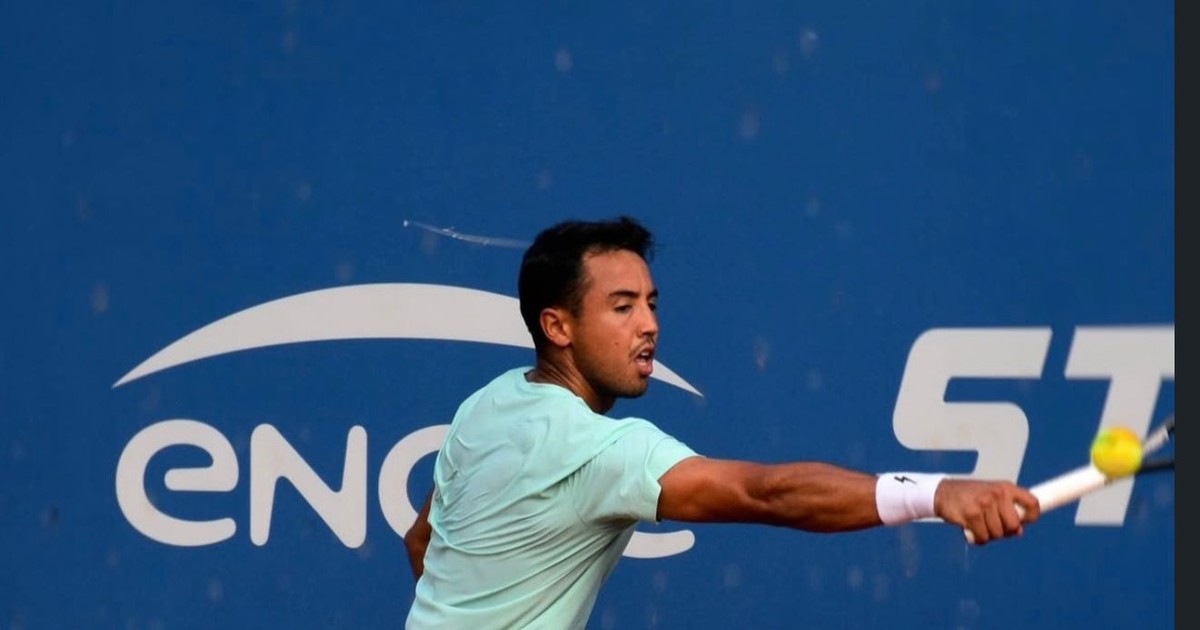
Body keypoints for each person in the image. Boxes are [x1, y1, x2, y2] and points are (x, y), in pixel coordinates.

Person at [403, 216, 1040, 629]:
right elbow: (765, 493)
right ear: (558, 325)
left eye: (650, 304)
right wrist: (937, 494)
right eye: (621, 307)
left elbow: (422, 543)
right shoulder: (603, 452)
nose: (649, 324)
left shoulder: (486, 405)